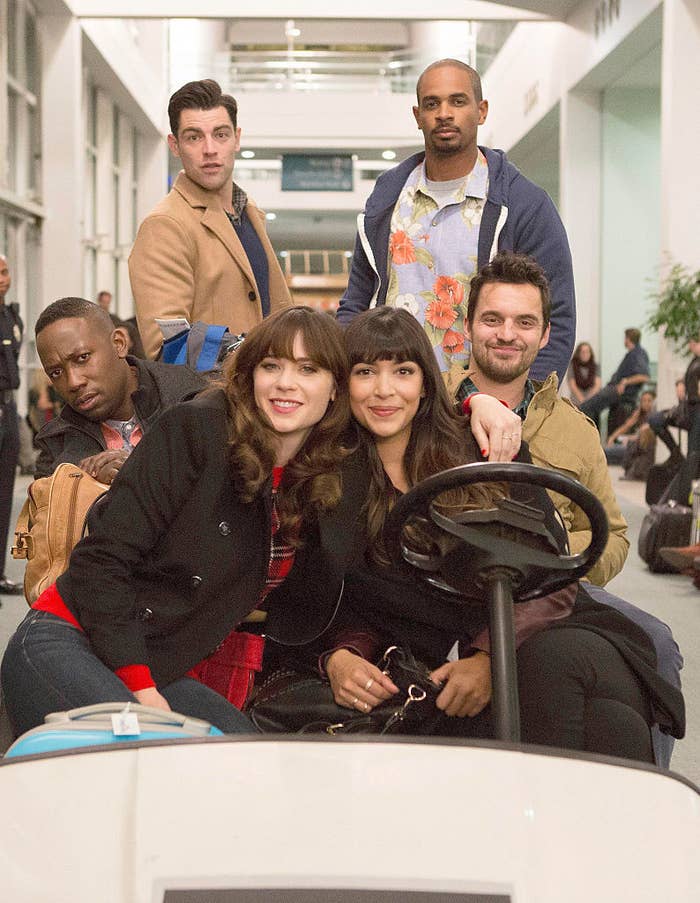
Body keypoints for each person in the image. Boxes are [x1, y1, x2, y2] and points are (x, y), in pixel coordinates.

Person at [313, 306, 682, 762]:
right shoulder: (333, 482)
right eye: (366, 372)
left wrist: (490, 656)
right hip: (432, 668)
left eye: (403, 371)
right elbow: (333, 594)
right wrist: (341, 654)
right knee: (572, 696)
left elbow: (553, 569)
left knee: (591, 688)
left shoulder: (483, 446)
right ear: (343, 384)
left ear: (425, 383)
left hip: (538, 626)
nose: (384, 390)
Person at [1, 306, 368, 738]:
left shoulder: (324, 477)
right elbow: (101, 561)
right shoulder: (196, 429)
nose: (286, 382)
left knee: (247, 756)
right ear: (251, 376)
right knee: (169, 755)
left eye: (308, 369)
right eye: (272, 365)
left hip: (156, 660)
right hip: (67, 641)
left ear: (334, 391)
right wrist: (141, 686)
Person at [453, 252, 682, 765]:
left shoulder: (574, 430)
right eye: (492, 319)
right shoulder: (432, 404)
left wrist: (549, 560)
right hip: (450, 586)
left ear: (544, 333)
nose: (507, 334)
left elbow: (614, 533)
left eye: (523, 322)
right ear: (468, 326)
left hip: (552, 589)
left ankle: (650, 786)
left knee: (657, 644)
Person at [336, 58, 575, 386]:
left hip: (484, 405)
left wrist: (523, 406)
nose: (444, 113)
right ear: (418, 117)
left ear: (481, 111)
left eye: (458, 101)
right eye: (432, 104)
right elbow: (357, 301)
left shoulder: (525, 205)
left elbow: (556, 318)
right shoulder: (386, 200)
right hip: (392, 400)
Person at [129, 79, 291, 359]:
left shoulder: (247, 211)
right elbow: (168, 346)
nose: (210, 149)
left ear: (237, 139)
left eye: (221, 134)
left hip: (265, 393)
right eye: (194, 137)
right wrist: (252, 353)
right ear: (175, 145)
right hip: (209, 398)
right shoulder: (164, 224)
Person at [33, 298, 206, 481]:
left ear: (119, 343)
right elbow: (47, 506)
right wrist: (85, 486)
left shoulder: (193, 399)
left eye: (83, 358)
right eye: (56, 372)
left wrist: (138, 469)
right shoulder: (55, 444)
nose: (73, 382)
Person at [0, 254, 23, 596]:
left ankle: (0, 573)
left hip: (8, 409)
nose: (1, 278)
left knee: (5, 495)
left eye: (4, 271)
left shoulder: (11, 316)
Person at [579, 328, 650, 433]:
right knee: (593, 407)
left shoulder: (638, 354)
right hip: (615, 388)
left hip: (620, 391)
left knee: (586, 407)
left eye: (625, 338)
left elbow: (644, 376)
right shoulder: (633, 353)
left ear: (628, 339)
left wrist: (625, 381)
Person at [604, 389, 656, 479]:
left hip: (633, 448)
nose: (646, 403)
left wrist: (629, 438)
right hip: (630, 446)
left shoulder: (653, 418)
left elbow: (643, 437)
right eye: (644, 400)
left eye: (649, 401)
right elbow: (625, 426)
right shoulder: (638, 414)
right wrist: (612, 437)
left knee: (605, 453)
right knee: (607, 450)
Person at [567, 341, 601, 405]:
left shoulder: (595, 366)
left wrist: (587, 400)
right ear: (578, 353)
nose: (585, 354)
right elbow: (572, 385)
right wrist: (582, 399)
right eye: (583, 352)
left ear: (591, 353)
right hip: (576, 398)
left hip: (592, 398)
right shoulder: (572, 366)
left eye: (587, 352)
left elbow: (597, 385)